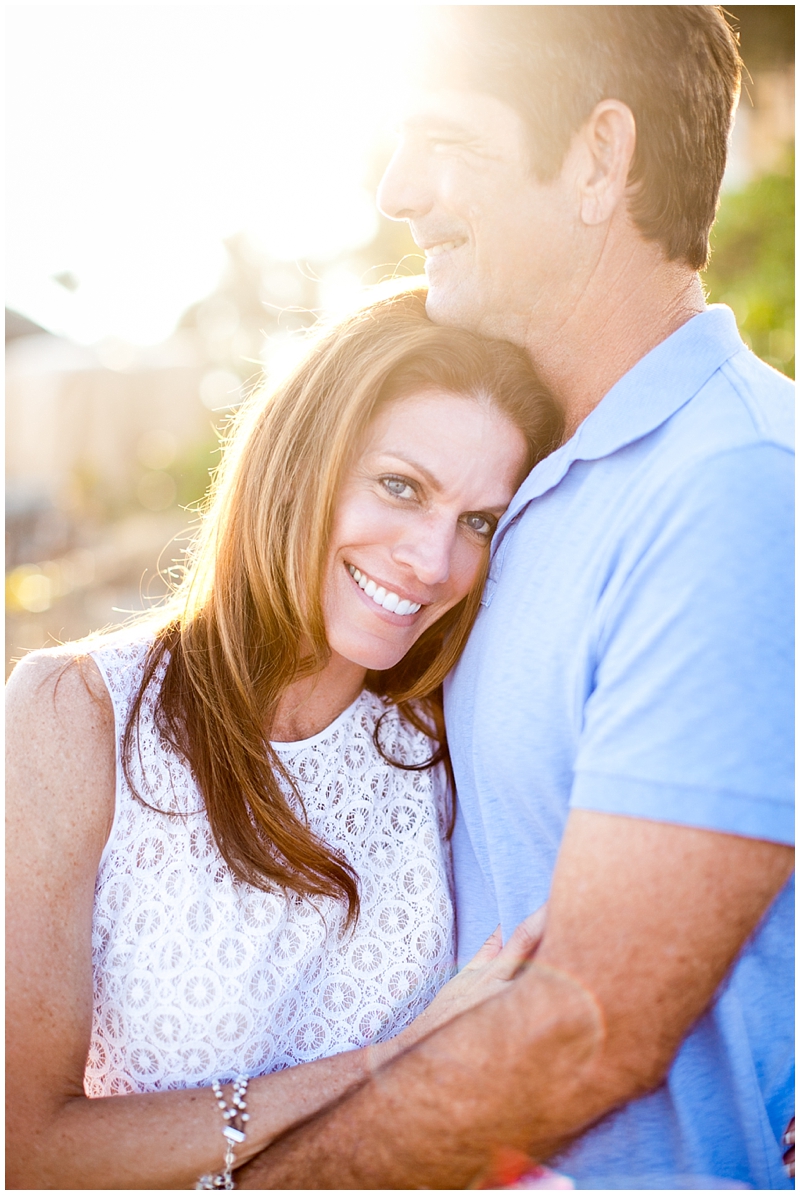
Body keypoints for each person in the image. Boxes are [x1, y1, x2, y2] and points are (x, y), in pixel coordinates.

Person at [236, 7, 794, 1190]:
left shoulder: (733, 488)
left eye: (444, 140)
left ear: (597, 156)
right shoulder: (512, 483)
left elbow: (578, 1030)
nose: (396, 190)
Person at [5, 290, 565, 1189]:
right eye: (400, 486)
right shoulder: (75, 712)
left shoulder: (445, 733)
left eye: (477, 522)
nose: (433, 561)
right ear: (301, 462)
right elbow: (25, 1151)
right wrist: (391, 1064)